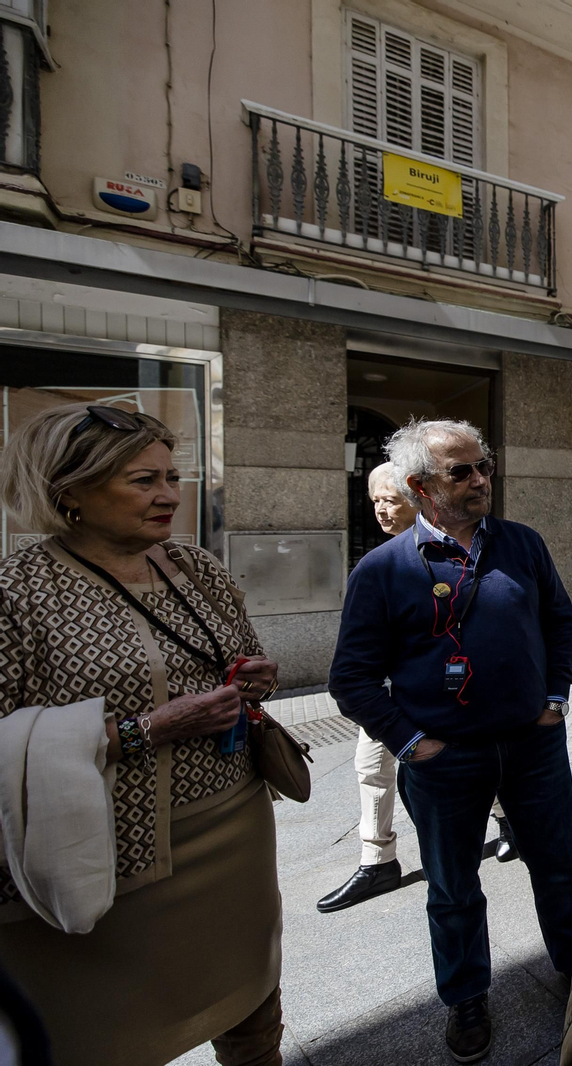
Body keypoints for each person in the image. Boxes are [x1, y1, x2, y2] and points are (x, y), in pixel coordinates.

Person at [0, 403, 284, 1066]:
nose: (167, 496)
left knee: (253, 1011)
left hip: (233, 837)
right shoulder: (16, 590)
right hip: (100, 862)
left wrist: (252, 678)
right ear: (69, 491)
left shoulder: (195, 566)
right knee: (103, 1036)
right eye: (142, 481)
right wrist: (143, 730)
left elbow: (242, 652)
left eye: (171, 476)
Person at [328, 418, 572, 1063]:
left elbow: (559, 621)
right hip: (445, 758)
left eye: (484, 465)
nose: (481, 480)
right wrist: (411, 743)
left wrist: (555, 698)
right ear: (420, 486)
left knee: (559, 869)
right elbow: (351, 679)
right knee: (452, 887)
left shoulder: (522, 544)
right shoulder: (383, 569)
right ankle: (466, 997)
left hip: (534, 747)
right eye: (461, 471)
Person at [318, 464, 519, 915]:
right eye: (374, 502)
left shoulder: (470, 550)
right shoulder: (379, 564)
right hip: (386, 700)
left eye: (390, 499)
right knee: (371, 768)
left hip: (452, 702)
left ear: (420, 494)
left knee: (482, 766)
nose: (381, 510)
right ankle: (378, 860)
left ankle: (506, 823)